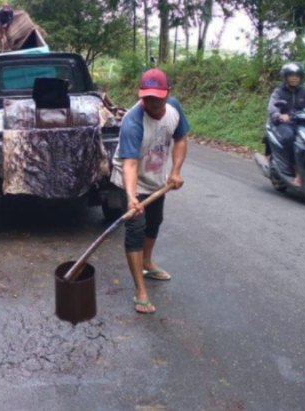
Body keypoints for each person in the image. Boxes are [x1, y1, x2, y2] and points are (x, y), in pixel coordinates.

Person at [111, 68, 190, 314]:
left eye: (158, 96)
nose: (152, 102)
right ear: (141, 95)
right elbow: (130, 165)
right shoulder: (133, 122)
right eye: (147, 97)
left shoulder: (174, 109)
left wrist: (175, 170)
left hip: (157, 180)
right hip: (132, 180)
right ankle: (140, 290)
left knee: (154, 223)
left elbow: (181, 138)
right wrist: (132, 197)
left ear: (167, 93)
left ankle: (147, 262)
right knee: (135, 229)